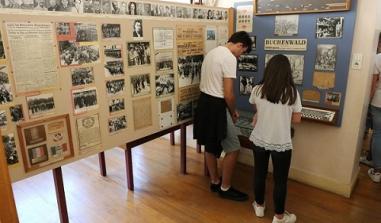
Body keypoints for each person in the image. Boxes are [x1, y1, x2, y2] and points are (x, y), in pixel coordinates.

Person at [193, 31, 252, 201]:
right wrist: (233, 111)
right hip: (217, 105)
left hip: (204, 101)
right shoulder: (229, 58)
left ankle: (214, 181)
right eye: (243, 51)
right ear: (240, 45)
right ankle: (225, 188)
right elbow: (229, 94)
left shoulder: (213, 52)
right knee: (234, 147)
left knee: (210, 145)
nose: (241, 55)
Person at [248, 54, 301, 223]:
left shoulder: (257, 89)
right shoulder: (292, 92)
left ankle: (259, 206)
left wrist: (262, 114)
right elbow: (297, 119)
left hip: (259, 138)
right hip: (281, 141)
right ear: (287, 72)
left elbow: (257, 109)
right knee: (280, 180)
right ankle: (279, 217)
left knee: (259, 174)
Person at [368, 51, 381, 183]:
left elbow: (373, 83)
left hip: (378, 101)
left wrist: (368, 100)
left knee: (378, 134)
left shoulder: (378, 58)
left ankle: (377, 172)